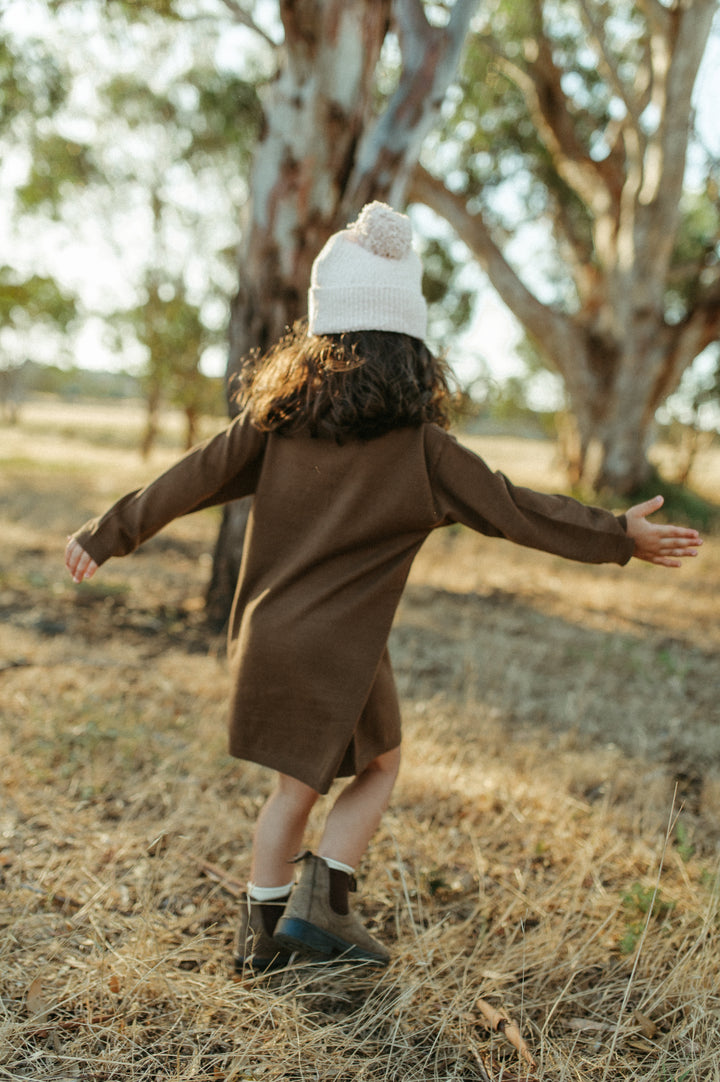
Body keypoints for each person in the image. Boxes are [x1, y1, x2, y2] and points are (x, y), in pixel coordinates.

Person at [65, 202, 702, 972]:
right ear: (412, 348)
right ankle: (323, 900)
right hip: (343, 646)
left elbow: (186, 480)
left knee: (291, 793)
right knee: (381, 768)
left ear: (319, 336)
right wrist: (618, 536)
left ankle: (261, 941)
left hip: (277, 637)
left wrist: (107, 534)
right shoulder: (426, 451)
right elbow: (518, 510)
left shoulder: (275, 423)